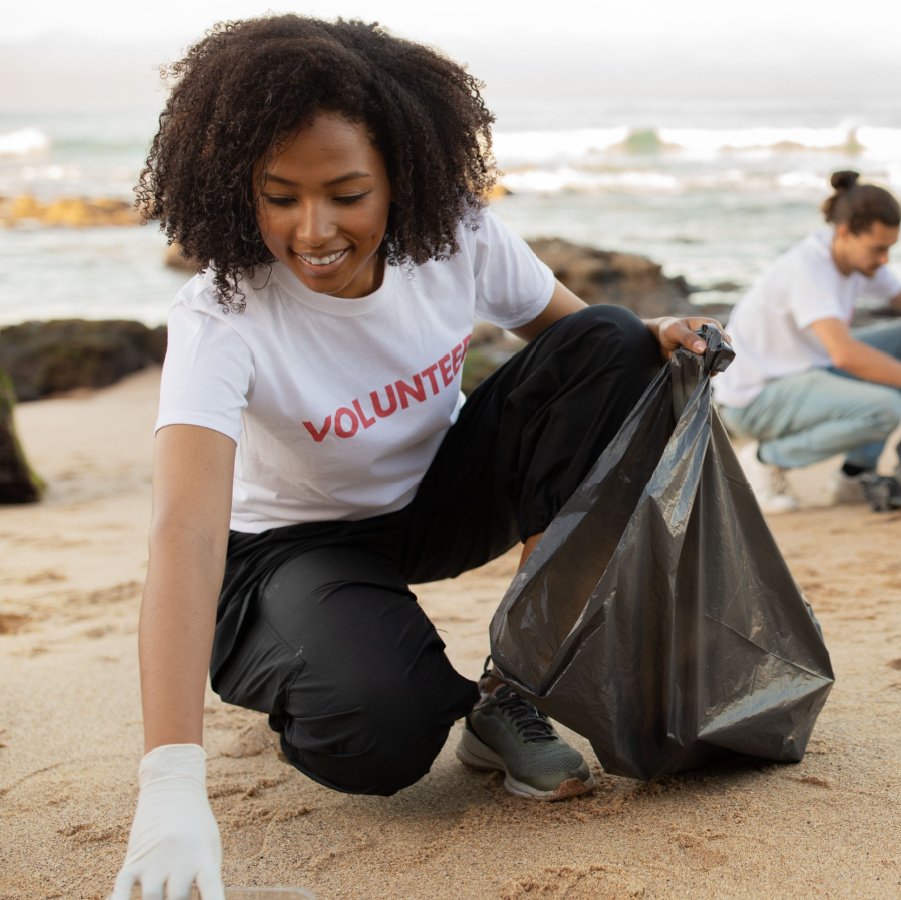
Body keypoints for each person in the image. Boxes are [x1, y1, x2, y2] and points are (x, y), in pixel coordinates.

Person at [112, 16, 720, 899]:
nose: (312, 229)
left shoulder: (456, 237)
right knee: (383, 734)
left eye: (346, 193)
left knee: (617, 345)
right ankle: (329, 660)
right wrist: (168, 784)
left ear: (403, 176)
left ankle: (511, 691)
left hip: (433, 502)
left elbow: (583, 352)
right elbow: (185, 533)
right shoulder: (222, 314)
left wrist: (656, 338)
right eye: (279, 196)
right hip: (290, 550)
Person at [713, 171, 901, 513]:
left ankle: (853, 476)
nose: (885, 258)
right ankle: (764, 461)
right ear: (844, 233)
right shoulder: (809, 270)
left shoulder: (858, 262)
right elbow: (844, 355)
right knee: (884, 410)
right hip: (753, 400)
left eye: (890, 248)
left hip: (804, 372)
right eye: (879, 248)